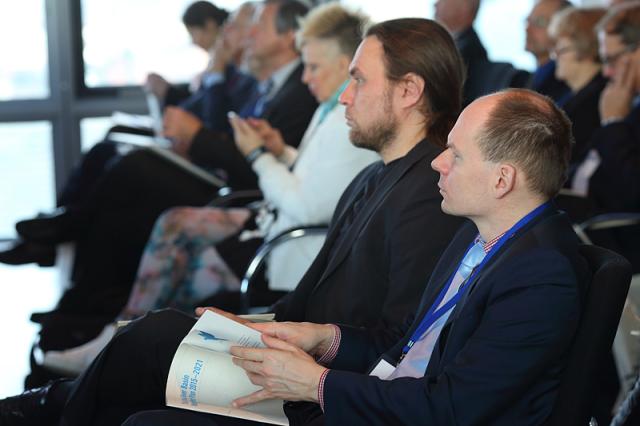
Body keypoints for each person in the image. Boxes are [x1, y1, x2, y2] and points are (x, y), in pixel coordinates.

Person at [0, 17, 467, 426]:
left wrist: (298, 349)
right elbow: (305, 299)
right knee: (151, 341)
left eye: (359, 81)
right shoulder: (377, 176)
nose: (344, 97)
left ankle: (38, 409)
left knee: (152, 339)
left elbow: (400, 345)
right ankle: (42, 408)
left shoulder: (428, 194)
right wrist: (249, 323)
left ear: (408, 91)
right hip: (293, 350)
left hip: (317, 382)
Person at [127, 88, 588, 426]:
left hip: (385, 415)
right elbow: (405, 349)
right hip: (371, 404)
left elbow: (452, 409)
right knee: (159, 374)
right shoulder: (478, 238)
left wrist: (314, 384)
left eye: (456, 155)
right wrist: (319, 338)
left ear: (502, 180)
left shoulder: (542, 274)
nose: (437, 163)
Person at [39, 2, 380, 375]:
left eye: (313, 67)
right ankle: (115, 335)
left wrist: (261, 156)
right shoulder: (327, 109)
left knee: (172, 253)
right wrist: (281, 151)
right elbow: (315, 175)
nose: (305, 76)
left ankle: (121, 345)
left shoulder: (341, 118)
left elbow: (306, 201)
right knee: (171, 224)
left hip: (284, 248)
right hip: (270, 220)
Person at [570, 1, 640, 270]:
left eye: (612, 60)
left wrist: (612, 122)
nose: (607, 72)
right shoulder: (630, 100)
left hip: (618, 243)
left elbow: (632, 192)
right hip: (594, 226)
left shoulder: (621, 106)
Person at [434, 0, 529, 105]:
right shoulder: (459, 45)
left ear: (465, 9)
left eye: (443, 1)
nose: (435, 4)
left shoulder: (467, 51)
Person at [548, 7, 607, 163]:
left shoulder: (596, 100)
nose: (554, 56)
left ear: (585, 47)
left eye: (561, 49)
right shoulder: (568, 92)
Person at [145, 1, 230, 109]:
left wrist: (168, 93)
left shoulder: (225, 62)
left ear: (210, 25)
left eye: (193, 33)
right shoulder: (213, 64)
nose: (193, 41)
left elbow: (207, 107)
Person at [526, 0, 573, 102]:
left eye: (539, 22)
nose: (527, 29)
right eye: (528, 21)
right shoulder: (524, 79)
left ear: (564, 28)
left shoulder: (567, 83)